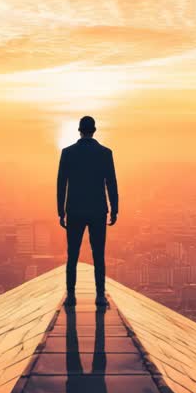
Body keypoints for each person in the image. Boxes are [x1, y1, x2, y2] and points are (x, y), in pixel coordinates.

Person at [56, 116, 119, 307]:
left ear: (79, 130)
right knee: (98, 254)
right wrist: (114, 209)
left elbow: (61, 184)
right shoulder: (105, 153)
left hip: (74, 210)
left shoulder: (68, 153)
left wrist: (61, 211)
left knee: (72, 254)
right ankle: (100, 295)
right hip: (98, 210)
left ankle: (71, 295)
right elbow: (111, 183)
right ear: (94, 130)